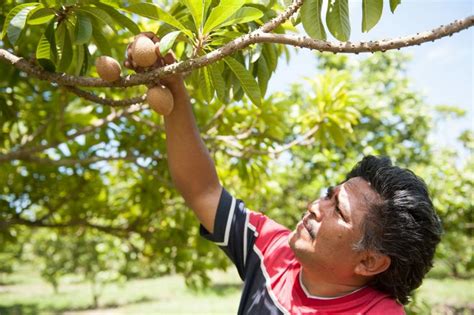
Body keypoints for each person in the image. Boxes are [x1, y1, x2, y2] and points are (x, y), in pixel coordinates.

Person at [126, 34, 443, 314]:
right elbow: (203, 192)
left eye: (339, 212)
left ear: (369, 262)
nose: (316, 207)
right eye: (328, 196)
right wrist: (172, 87)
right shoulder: (272, 249)